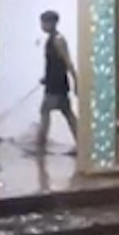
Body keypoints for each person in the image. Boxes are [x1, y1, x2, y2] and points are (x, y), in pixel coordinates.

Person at [35, 10, 80, 156]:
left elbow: (67, 62)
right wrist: (46, 78)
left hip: (57, 84)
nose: (42, 25)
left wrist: (76, 81)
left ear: (52, 23)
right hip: (53, 82)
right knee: (66, 113)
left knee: (46, 111)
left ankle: (40, 145)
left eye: (44, 22)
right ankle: (82, 143)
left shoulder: (58, 40)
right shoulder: (50, 40)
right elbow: (54, 64)